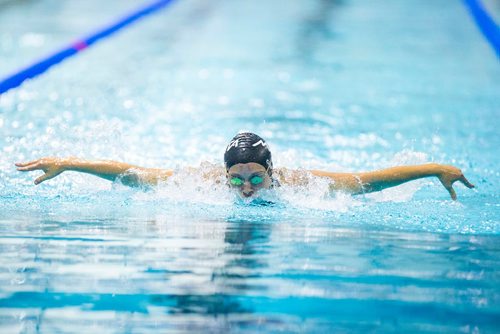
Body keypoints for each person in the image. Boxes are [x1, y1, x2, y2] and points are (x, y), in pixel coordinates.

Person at [15, 132, 474, 200]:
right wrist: (69, 164)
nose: (247, 189)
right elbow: (129, 172)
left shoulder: (301, 186)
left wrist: (433, 167)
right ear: (223, 175)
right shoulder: (201, 183)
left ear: (274, 172)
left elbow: (367, 183)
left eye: (256, 177)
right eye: (237, 179)